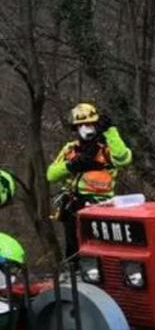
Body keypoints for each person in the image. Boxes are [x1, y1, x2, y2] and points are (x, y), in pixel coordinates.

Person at [47, 103, 133, 260]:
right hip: (74, 205)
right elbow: (51, 175)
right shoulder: (70, 149)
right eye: (82, 125)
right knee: (73, 250)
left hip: (101, 206)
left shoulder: (106, 148)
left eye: (90, 124)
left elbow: (124, 158)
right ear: (76, 127)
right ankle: (75, 274)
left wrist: (111, 132)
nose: (87, 128)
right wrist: (71, 165)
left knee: (100, 250)